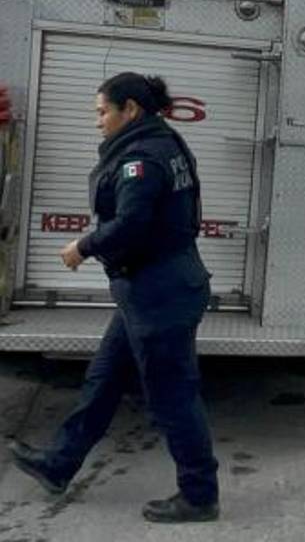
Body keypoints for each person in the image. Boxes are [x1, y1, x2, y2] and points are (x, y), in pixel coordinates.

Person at [7, 72, 220, 523]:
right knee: (103, 379)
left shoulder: (141, 158)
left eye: (103, 112)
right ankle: (59, 463)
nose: (98, 121)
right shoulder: (166, 141)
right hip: (150, 290)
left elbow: (132, 223)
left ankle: (200, 495)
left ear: (131, 110)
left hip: (159, 293)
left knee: (174, 395)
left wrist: (82, 247)